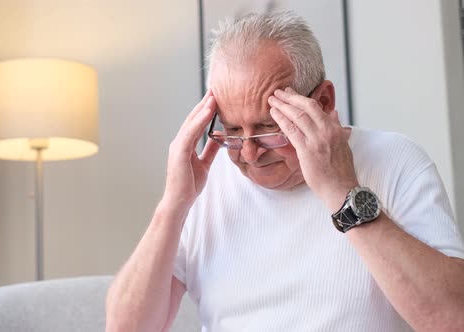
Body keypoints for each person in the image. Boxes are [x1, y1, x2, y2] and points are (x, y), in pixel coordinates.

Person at [106, 11, 464, 332]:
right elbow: (125, 328)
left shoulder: (395, 160)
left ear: (322, 102)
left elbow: (453, 319)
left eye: (267, 127)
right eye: (231, 130)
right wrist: (173, 205)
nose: (249, 152)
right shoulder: (205, 185)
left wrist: (342, 191)